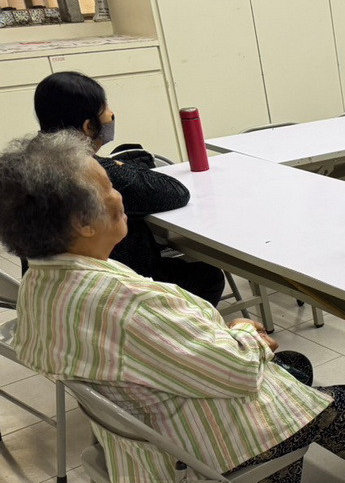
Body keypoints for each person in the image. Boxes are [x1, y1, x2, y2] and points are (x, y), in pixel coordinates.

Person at [0, 131, 345, 483]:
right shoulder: (129, 303)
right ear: (82, 223)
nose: (119, 193)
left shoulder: (38, 285)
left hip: (131, 439)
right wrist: (245, 333)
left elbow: (142, 349)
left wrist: (212, 335)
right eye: (108, 186)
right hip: (186, 450)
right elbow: (240, 372)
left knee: (295, 368)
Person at [33, 71, 226, 306]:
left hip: (59, 284)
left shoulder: (28, 164)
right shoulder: (90, 172)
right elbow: (175, 193)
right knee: (208, 276)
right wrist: (120, 166)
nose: (111, 115)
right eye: (105, 109)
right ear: (88, 126)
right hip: (119, 283)